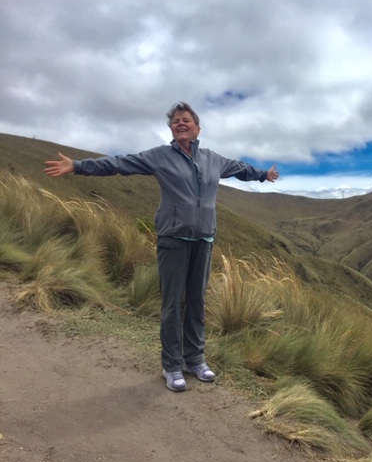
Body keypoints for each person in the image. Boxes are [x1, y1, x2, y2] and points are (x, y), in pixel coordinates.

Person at [44, 101, 279, 391]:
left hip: (204, 239)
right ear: (171, 129)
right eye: (176, 121)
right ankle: (172, 365)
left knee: (197, 301)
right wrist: (78, 166)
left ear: (198, 128)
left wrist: (262, 175)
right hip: (173, 239)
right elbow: (119, 163)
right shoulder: (159, 157)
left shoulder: (213, 160)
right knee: (172, 303)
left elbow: (240, 168)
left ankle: (195, 359)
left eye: (186, 120)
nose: (181, 123)